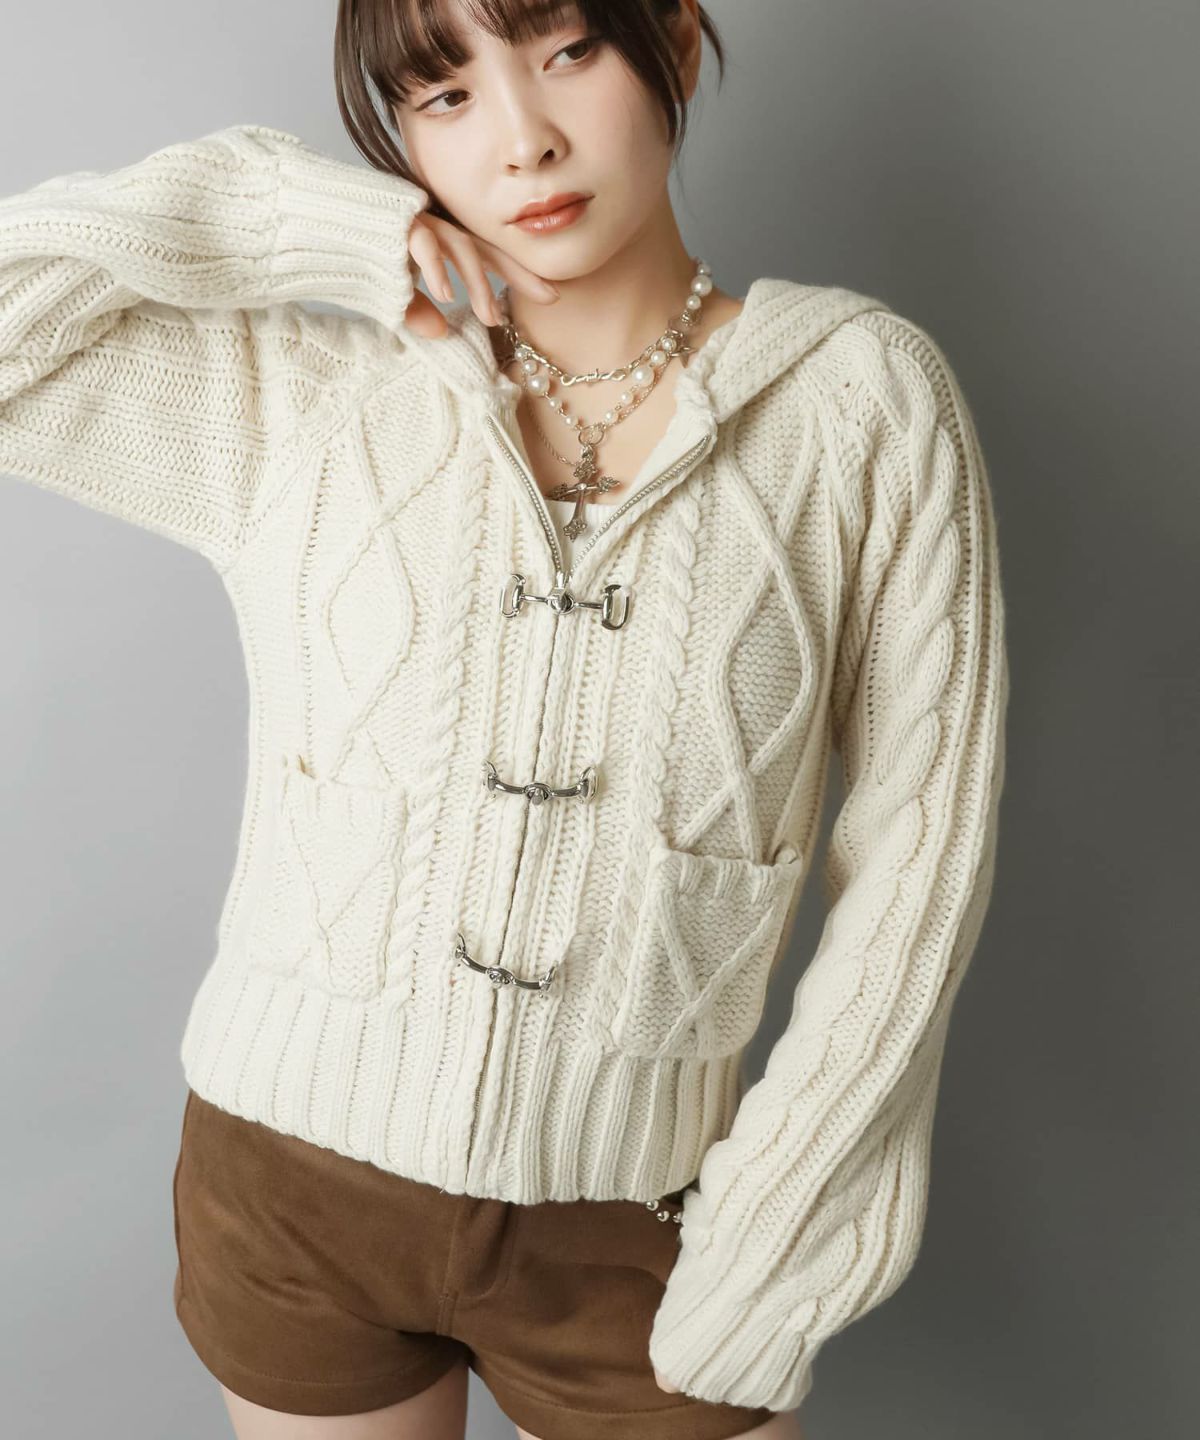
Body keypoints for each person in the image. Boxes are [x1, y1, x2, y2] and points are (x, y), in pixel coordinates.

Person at [0, 1, 1009, 1437]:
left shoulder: (857, 408)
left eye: (566, 51)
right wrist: (316, 227)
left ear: (669, 39)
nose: (523, 137)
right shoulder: (313, 398)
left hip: (640, 1232)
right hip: (289, 1195)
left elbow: (922, 864)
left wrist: (773, 1241)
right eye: (445, 93)